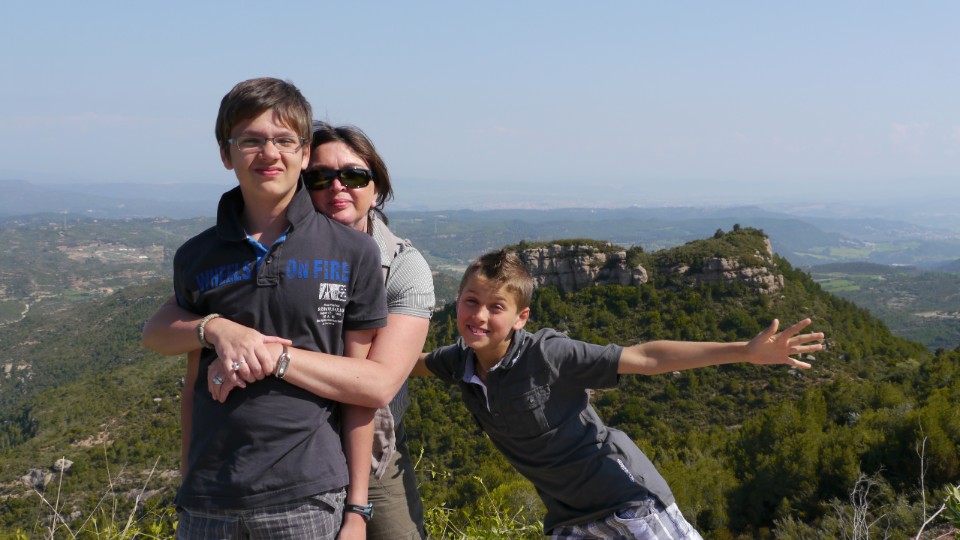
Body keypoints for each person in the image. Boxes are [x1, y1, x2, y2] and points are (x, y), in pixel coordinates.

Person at [143, 122, 434, 539]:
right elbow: (164, 325)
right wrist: (217, 329)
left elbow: (377, 385)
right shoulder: (269, 251)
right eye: (320, 177)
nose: (337, 187)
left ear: (376, 189)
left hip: (369, 446)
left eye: (354, 176)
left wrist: (267, 356)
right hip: (276, 462)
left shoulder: (403, 266)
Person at [411, 250, 826, 539]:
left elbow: (646, 357)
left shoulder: (548, 354)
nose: (479, 315)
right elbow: (410, 363)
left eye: (496, 307)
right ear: (458, 302)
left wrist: (744, 352)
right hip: (569, 521)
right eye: (471, 301)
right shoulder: (458, 362)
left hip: (627, 501)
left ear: (521, 318)